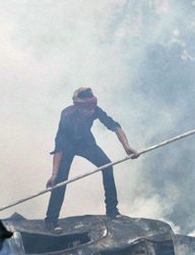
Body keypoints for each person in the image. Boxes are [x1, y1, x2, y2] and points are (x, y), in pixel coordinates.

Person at [44, 87, 138, 232]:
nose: (93, 110)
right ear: (78, 107)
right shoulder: (67, 116)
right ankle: (51, 221)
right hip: (67, 147)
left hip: (86, 143)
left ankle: (112, 211)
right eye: (89, 107)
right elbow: (59, 145)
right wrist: (54, 174)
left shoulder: (95, 110)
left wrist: (127, 147)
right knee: (60, 181)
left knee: (107, 166)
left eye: (94, 105)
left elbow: (114, 126)